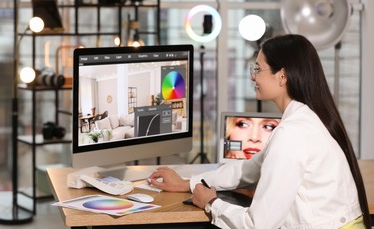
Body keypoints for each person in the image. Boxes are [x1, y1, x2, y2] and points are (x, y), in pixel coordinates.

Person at [148, 34, 371, 228]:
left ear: (282, 76)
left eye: (258, 69)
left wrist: (211, 203)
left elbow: (259, 225)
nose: (252, 76)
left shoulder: (292, 134)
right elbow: (248, 169)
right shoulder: (305, 118)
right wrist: (187, 183)